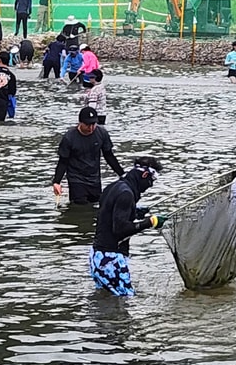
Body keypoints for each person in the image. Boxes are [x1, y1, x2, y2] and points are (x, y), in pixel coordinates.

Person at [90, 158, 167, 297]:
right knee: (126, 300)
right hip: (111, 259)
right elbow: (120, 230)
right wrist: (150, 222)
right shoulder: (126, 194)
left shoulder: (113, 187)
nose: (150, 186)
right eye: (151, 181)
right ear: (144, 175)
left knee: (106, 301)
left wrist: (134, 212)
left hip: (97, 256)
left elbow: (109, 214)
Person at [52, 106, 124, 206]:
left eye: (93, 124)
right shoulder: (69, 137)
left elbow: (109, 156)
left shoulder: (101, 133)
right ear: (80, 123)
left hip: (94, 179)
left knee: (96, 206)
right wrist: (56, 182)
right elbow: (63, 161)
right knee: (80, 208)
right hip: (76, 179)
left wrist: (122, 174)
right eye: (87, 125)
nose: (90, 128)